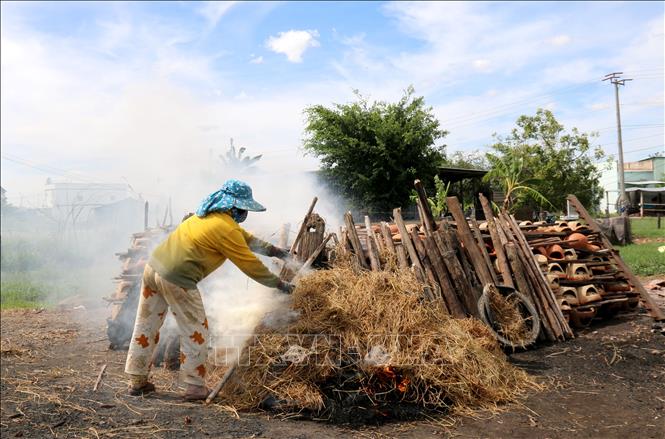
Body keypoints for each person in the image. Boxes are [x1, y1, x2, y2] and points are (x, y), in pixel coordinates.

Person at [124, 179, 294, 400]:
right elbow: (250, 264)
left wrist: (276, 252)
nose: (244, 213)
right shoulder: (225, 228)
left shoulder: (204, 217)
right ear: (234, 206)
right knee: (197, 332)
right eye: (243, 208)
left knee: (146, 325)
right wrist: (280, 285)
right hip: (177, 279)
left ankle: (137, 381)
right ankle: (195, 387)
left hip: (152, 269)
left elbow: (248, 240)